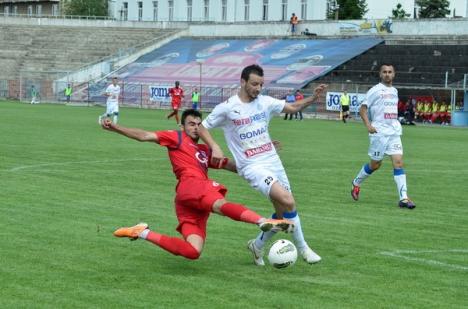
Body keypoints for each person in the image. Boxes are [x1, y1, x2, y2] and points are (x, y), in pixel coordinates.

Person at [101, 109, 293, 260]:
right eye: (191, 124)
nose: (195, 127)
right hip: (191, 186)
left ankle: (142, 232)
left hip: (187, 201)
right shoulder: (176, 137)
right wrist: (116, 127)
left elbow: (237, 167)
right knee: (219, 203)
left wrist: (263, 152)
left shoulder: (203, 151)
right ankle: (263, 221)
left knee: (193, 251)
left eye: (198, 124)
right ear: (182, 125)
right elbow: (144, 135)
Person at [199, 64, 327, 266]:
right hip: (252, 167)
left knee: (281, 213)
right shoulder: (227, 107)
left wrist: (313, 97)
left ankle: (257, 245)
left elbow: (292, 107)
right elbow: (201, 126)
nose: (258, 89)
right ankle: (304, 248)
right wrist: (214, 146)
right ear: (242, 82)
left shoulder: (265, 102)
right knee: (288, 200)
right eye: (254, 84)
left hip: (273, 161)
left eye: (261, 84)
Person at [350, 63, 416, 209]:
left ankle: (404, 198)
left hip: (393, 131)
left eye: (390, 72)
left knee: (398, 162)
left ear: (394, 74)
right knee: (375, 164)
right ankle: (356, 182)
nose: (387, 74)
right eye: (384, 72)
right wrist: (368, 125)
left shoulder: (395, 91)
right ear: (380, 74)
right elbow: (362, 109)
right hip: (378, 133)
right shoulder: (375, 90)